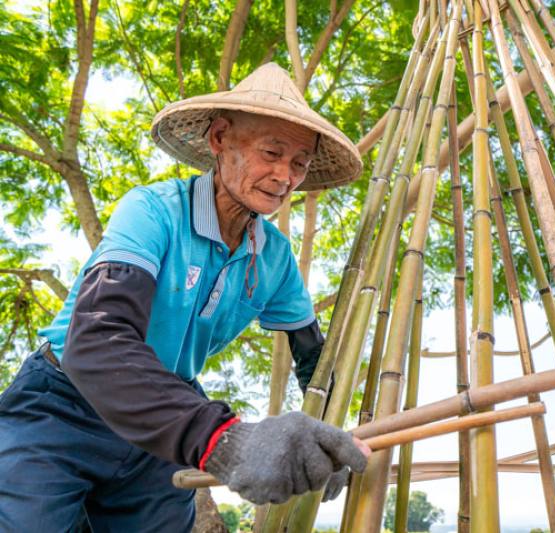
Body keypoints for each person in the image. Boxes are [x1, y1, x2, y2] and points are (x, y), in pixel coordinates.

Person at [0, 63, 370, 532]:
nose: (284, 176)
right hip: (63, 404)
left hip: (160, 423)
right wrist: (223, 440)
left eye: (299, 162)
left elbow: (313, 359)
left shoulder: (273, 256)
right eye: (271, 152)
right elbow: (95, 339)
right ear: (220, 138)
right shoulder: (152, 211)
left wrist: (330, 434)